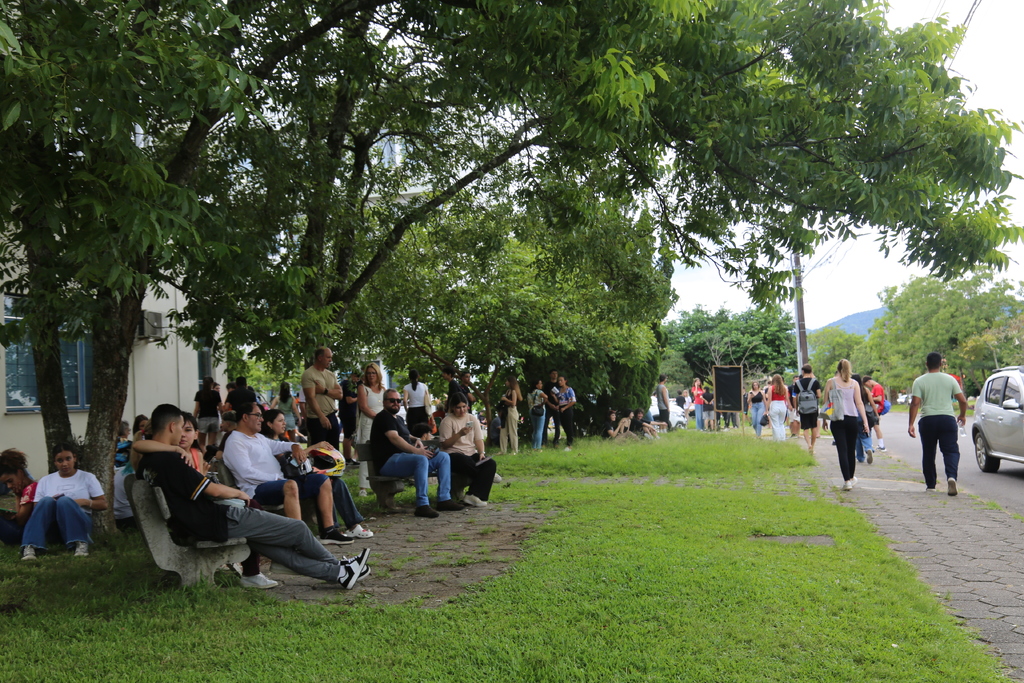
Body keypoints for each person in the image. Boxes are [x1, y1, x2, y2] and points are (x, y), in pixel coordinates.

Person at [136, 404, 370, 589]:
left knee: (271, 547)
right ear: (171, 427)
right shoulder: (171, 461)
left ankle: (340, 573)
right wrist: (238, 493)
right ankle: (339, 566)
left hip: (194, 523)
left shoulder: (149, 461)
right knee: (296, 529)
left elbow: (140, 447)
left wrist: (176, 449)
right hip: (214, 520)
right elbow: (212, 490)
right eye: (181, 428)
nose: (181, 434)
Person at [222, 402, 372, 544]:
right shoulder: (235, 441)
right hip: (257, 489)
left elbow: (280, 446)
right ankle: (300, 537)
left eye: (261, 415)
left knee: (321, 480)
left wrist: (295, 446)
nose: (261, 419)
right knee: (291, 485)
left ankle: (328, 531)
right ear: (245, 417)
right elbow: (246, 473)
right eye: (258, 415)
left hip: (280, 483)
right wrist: (277, 478)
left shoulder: (259, 438)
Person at [370, 389, 462, 518]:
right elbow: (394, 438)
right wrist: (416, 451)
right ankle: (422, 505)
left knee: (443, 457)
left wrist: (417, 439)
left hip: (405, 460)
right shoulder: (383, 417)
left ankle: (444, 499)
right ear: (384, 402)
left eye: (398, 400)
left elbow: (406, 435)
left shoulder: (399, 419)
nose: (396, 403)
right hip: (388, 462)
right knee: (421, 459)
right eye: (392, 401)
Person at [20, 442, 107, 560]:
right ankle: (30, 546)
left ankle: (80, 542)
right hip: (53, 523)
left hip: (79, 520)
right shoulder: (46, 480)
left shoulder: (87, 477)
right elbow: (38, 508)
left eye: (68, 459)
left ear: (74, 458)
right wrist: (52, 503)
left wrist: (84, 502)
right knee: (46, 501)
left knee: (64, 501)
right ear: (55, 462)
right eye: (60, 460)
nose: (65, 464)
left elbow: (103, 504)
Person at [909, 352, 968, 495]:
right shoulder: (950, 380)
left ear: (926, 364)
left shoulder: (919, 381)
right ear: (941, 364)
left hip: (928, 420)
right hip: (947, 419)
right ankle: (951, 477)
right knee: (951, 451)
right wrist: (962, 415)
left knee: (929, 452)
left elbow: (915, 403)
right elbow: (963, 400)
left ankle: (930, 485)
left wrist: (910, 424)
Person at [438, 394, 499, 507]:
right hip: (452, 455)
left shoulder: (472, 418)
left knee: (490, 463)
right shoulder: (447, 421)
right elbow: (445, 444)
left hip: (470, 453)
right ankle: (487, 476)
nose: (462, 410)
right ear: (452, 407)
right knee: (465, 461)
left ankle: (473, 495)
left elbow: (478, 439)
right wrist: (460, 434)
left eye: (464, 407)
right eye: (458, 407)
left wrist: (481, 453)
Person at [823, 359, 870, 491]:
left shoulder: (831, 382)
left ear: (837, 368)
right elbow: (859, 403)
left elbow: (826, 402)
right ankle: (851, 477)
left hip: (837, 420)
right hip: (852, 419)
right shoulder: (854, 383)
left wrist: (824, 420)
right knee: (851, 450)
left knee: (842, 450)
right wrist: (865, 422)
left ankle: (846, 481)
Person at [301, 347, 342, 450]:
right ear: (320, 358)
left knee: (334, 451)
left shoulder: (330, 374)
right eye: (328, 357)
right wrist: (321, 417)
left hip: (332, 415)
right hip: (317, 419)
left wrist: (324, 390)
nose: (330, 360)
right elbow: (310, 398)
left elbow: (340, 395)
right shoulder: (309, 374)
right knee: (320, 452)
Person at [355, 362, 386, 497]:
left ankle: (380, 482)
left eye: (373, 373)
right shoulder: (363, 388)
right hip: (369, 421)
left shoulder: (383, 390)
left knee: (381, 451)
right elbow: (363, 407)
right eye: (368, 373)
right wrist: (377, 417)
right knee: (366, 452)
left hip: (382, 423)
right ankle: (363, 486)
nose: (371, 375)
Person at [0, 449, 36, 546]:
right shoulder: (26, 490)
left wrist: (18, 496)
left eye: (10, 481)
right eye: (5, 483)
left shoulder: (30, 489)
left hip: (25, 533)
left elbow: (20, 521)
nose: (9, 486)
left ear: (20, 473)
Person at [792, 365, 822, 452]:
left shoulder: (798, 383)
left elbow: (796, 397)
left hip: (803, 408)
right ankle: (812, 446)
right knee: (814, 427)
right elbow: (819, 395)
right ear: (811, 371)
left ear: (803, 371)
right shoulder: (815, 382)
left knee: (805, 428)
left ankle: (808, 444)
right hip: (813, 408)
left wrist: (797, 408)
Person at [193, 376, 223, 451]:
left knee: (201, 443)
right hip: (214, 418)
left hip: (202, 419)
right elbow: (221, 408)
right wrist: (223, 420)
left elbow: (197, 409)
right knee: (211, 444)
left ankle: (202, 459)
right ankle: (209, 459)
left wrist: (193, 420)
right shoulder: (216, 394)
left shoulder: (199, 393)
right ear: (212, 384)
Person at [339, 371, 361, 464]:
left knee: (351, 435)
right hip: (348, 413)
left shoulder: (351, 384)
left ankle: (351, 457)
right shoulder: (348, 384)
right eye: (356, 377)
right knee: (348, 436)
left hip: (350, 413)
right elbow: (349, 400)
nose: (357, 379)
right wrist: (359, 397)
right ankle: (347, 458)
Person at [498, 376, 522, 454]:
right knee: (503, 431)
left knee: (512, 431)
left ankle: (514, 450)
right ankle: (503, 450)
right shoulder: (508, 391)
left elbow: (513, 403)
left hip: (512, 411)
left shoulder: (513, 391)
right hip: (506, 411)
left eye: (507, 381)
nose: (506, 383)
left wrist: (505, 399)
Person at [863, 375, 887, 451]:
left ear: (869, 381)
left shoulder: (877, 387)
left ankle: (881, 445)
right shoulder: (874, 388)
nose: (868, 386)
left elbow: (879, 398)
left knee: (876, 427)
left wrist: (870, 398)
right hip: (874, 410)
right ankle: (872, 444)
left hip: (877, 409)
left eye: (866, 385)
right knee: (871, 426)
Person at [554, 375, 576, 451]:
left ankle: (570, 443)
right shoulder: (559, 390)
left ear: (565, 381)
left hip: (567, 408)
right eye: (558, 381)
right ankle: (568, 442)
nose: (559, 382)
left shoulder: (569, 390)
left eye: (561, 380)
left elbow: (573, 401)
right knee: (564, 426)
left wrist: (565, 408)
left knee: (568, 426)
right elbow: (558, 400)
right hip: (561, 408)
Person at [766, 375, 791, 442]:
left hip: (774, 404)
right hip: (782, 405)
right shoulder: (784, 388)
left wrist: (766, 409)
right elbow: (787, 398)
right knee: (781, 423)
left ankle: (777, 440)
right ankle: (782, 438)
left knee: (775, 424)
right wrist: (790, 406)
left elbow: (769, 399)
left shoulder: (771, 388)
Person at [543, 369, 560, 446]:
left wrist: (558, 405)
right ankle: (544, 441)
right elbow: (544, 397)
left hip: (557, 406)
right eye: (553, 373)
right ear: (550, 375)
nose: (555, 375)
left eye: (556, 373)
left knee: (557, 424)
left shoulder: (559, 384)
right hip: (548, 406)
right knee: (545, 424)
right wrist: (549, 404)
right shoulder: (547, 385)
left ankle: (556, 441)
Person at [528, 379, 547, 449]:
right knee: (539, 430)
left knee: (535, 429)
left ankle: (533, 446)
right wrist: (542, 403)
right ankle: (538, 447)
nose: (541, 385)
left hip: (531, 410)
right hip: (539, 411)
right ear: (536, 385)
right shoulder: (539, 392)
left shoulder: (529, 393)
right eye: (540, 383)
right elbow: (546, 397)